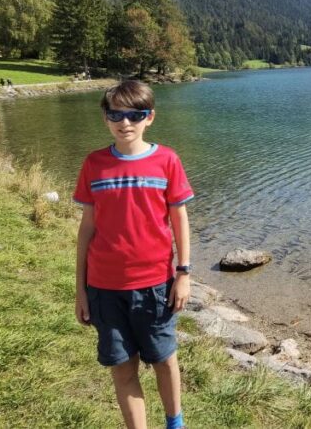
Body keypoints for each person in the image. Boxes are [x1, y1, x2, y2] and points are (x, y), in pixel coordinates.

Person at [73, 80, 194, 429]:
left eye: (134, 115)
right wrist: (80, 291)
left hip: (155, 285)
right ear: (105, 118)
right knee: (122, 368)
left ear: (150, 117)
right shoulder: (94, 164)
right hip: (104, 288)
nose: (124, 123)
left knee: (164, 360)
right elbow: (86, 231)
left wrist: (183, 274)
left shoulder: (167, 160)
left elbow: (179, 218)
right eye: (115, 114)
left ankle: (175, 422)